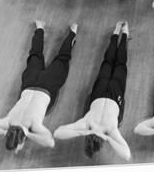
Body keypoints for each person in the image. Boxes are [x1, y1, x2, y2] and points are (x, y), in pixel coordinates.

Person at [0, 20, 77, 152]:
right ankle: (40, 27)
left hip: (47, 86)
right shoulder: (8, 122)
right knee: (35, 55)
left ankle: (73, 31)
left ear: (20, 141)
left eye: (17, 148)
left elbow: (50, 142)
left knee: (62, 58)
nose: (17, 150)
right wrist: (7, 132)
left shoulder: (33, 127)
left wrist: (27, 133)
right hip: (30, 82)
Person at [54, 21, 131, 160]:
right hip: (111, 94)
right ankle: (119, 32)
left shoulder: (88, 125)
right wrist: (101, 136)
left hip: (102, 92)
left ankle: (121, 32)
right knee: (113, 62)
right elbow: (126, 154)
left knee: (114, 63)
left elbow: (58, 133)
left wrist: (85, 132)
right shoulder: (103, 130)